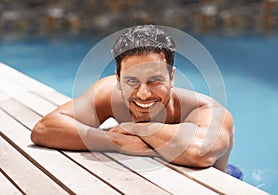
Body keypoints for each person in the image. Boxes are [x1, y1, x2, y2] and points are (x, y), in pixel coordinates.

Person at [31, 25, 236, 176]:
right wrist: (119, 141)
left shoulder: (207, 109)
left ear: (171, 77)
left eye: (155, 80)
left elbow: (200, 153)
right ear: (118, 79)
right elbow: (44, 129)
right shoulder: (107, 92)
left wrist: (138, 129)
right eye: (131, 80)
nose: (143, 94)